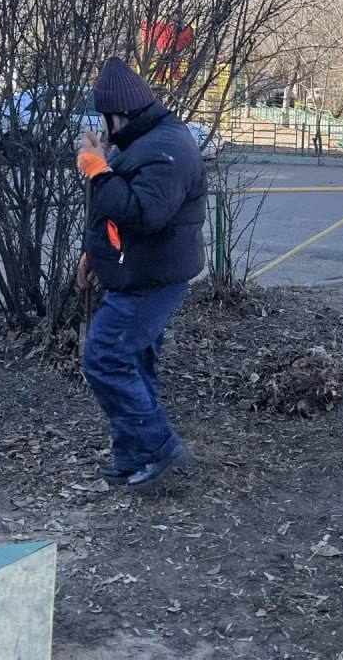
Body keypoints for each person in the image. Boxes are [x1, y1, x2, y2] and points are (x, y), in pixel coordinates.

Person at [75, 57, 207, 491]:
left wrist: (97, 167)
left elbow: (145, 214)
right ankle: (134, 458)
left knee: (105, 357)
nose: (103, 126)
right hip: (141, 271)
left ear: (118, 112)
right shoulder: (147, 141)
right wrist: (92, 254)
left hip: (151, 277)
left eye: (103, 116)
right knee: (131, 359)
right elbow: (119, 212)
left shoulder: (163, 150)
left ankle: (160, 450)